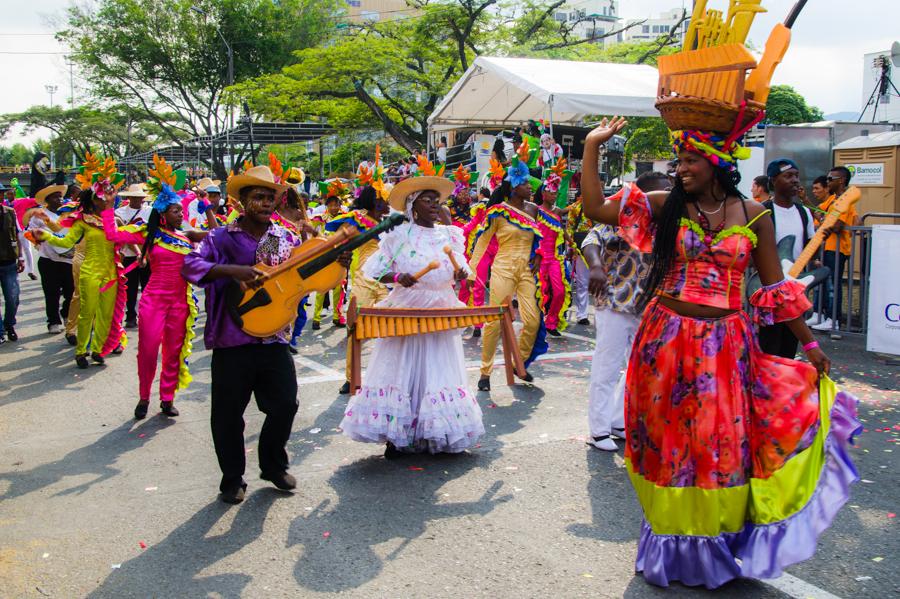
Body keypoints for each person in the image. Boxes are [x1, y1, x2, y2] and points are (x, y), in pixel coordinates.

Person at [581, 113, 858, 589]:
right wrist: (590, 146)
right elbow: (595, 209)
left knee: (717, 443)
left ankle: (714, 545)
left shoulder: (754, 215)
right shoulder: (663, 204)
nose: (681, 168)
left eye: (690, 160)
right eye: (679, 160)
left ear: (716, 163)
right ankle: (669, 541)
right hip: (664, 337)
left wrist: (809, 344)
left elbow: (775, 286)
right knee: (667, 443)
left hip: (726, 344)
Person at [182, 165, 351, 504]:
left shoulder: (286, 237)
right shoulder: (220, 237)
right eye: (257, 196)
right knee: (228, 415)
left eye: (270, 197)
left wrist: (339, 263)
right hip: (232, 337)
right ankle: (232, 479)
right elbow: (190, 265)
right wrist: (232, 271)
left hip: (275, 337)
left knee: (286, 404)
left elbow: (304, 277)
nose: (264, 202)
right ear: (241, 201)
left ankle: (273, 465)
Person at [340, 175, 483, 457]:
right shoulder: (399, 236)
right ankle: (397, 435)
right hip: (407, 306)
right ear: (412, 206)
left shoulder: (449, 235)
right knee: (401, 370)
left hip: (441, 307)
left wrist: (460, 273)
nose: (433, 205)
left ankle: (435, 433)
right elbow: (375, 271)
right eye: (426, 200)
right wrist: (397, 276)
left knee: (437, 370)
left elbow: (463, 269)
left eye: (436, 200)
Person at [100, 183, 206, 420]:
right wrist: (109, 205)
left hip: (180, 303)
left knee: (173, 352)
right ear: (163, 214)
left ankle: (167, 399)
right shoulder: (149, 233)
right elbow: (112, 235)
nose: (181, 215)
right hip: (154, 301)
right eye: (176, 211)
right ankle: (144, 397)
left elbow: (215, 235)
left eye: (181, 211)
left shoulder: (186, 236)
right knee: (147, 352)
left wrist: (209, 207)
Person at [582, 171, 670, 451]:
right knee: (607, 366)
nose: (666, 195)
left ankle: (618, 421)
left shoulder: (666, 224)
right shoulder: (627, 216)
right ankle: (598, 430)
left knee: (639, 366)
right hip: (615, 301)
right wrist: (595, 266)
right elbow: (590, 239)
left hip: (647, 305)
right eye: (661, 190)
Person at [469, 146, 543, 391]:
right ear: (514, 186)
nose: (532, 188)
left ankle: (518, 363)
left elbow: (543, 239)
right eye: (527, 184)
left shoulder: (534, 211)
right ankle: (485, 372)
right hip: (503, 268)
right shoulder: (498, 212)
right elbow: (481, 242)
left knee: (532, 321)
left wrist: (540, 256)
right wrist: (471, 269)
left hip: (525, 271)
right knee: (493, 322)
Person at [34, 181, 128, 368]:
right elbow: (66, 241)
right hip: (89, 271)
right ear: (93, 201)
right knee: (87, 313)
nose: (106, 201)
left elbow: (123, 238)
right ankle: (81, 351)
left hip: (111, 273)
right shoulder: (83, 221)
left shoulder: (113, 221)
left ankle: (98, 349)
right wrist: (45, 236)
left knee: (106, 314)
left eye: (109, 198)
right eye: (102, 199)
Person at [329, 185, 390, 395]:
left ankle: (388, 377)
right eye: (384, 199)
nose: (388, 203)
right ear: (374, 201)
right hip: (364, 278)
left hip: (388, 282)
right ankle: (350, 377)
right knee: (356, 329)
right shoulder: (357, 218)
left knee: (392, 329)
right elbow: (336, 243)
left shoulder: (391, 222)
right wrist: (342, 254)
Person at [757, 158, 815, 359]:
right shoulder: (762, 212)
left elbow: (810, 247)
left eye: (796, 176)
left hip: (795, 289)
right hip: (769, 291)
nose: (795, 180)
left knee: (789, 347)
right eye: (788, 176)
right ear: (773, 181)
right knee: (769, 347)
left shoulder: (804, 213)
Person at [810, 166, 858, 331]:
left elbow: (836, 226)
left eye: (831, 179)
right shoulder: (832, 200)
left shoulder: (845, 199)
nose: (828, 181)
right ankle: (821, 314)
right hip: (827, 247)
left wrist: (825, 221)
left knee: (833, 285)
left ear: (842, 180)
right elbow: (818, 216)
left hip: (838, 249)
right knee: (824, 283)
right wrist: (806, 201)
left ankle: (834, 319)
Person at [27, 184, 74, 335]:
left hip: (68, 260)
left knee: (71, 292)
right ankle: (53, 321)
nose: (59, 199)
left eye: (60, 196)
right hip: (48, 260)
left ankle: (66, 313)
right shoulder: (40, 215)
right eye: (55, 197)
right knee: (52, 292)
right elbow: (30, 232)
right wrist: (38, 237)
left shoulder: (67, 214)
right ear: (47, 200)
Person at [115, 184, 152, 329]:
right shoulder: (119, 212)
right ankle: (130, 315)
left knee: (147, 287)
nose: (138, 200)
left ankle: (147, 315)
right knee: (130, 288)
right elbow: (122, 234)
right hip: (129, 256)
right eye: (134, 197)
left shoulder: (150, 211)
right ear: (129, 197)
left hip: (147, 255)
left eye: (140, 197)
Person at [535, 178, 569, 336]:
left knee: (560, 291)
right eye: (550, 191)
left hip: (555, 257)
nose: (554, 195)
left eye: (556, 192)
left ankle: (552, 322)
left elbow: (562, 231)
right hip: (539, 257)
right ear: (543, 194)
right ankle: (536, 322)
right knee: (539, 292)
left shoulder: (558, 212)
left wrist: (572, 246)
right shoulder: (536, 211)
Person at [311, 195, 347, 330]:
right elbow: (311, 232)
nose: (333, 207)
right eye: (331, 205)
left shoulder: (345, 216)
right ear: (327, 206)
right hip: (324, 257)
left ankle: (337, 317)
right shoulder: (320, 218)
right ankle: (316, 318)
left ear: (340, 205)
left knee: (339, 287)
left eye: (336, 204)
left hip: (341, 256)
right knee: (322, 287)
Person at [565, 193, 594, 326]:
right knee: (582, 282)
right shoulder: (575, 207)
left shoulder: (602, 205)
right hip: (580, 248)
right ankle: (582, 314)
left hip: (599, 248)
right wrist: (572, 248)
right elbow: (569, 228)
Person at [0, 198, 24, 344]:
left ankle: (9, 324)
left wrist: (21, 257)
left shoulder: (10, 213)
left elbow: (18, 235)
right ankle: (0, 331)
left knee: (13, 298)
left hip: (9, 263)